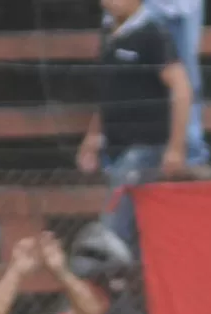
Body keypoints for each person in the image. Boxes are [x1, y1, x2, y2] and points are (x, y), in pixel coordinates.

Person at [76, 0, 192, 253]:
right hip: (116, 150)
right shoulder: (108, 33)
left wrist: (176, 147)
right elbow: (108, 93)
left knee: (112, 231)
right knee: (134, 232)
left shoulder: (152, 33)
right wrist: (94, 136)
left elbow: (182, 88)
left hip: (145, 147)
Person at [146, 0, 211, 171]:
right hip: (141, 6)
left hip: (184, 6)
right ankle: (131, 154)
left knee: (188, 78)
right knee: (131, 68)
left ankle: (192, 155)